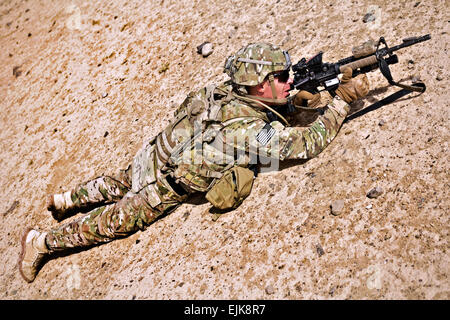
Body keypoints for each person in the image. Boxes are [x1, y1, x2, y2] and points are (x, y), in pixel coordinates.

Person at [19, 43, 369, 283]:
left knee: (120, 181)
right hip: (168, 187)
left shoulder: (222, 89)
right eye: (281, 77)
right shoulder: (247, 132)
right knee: (113, 222)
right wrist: (340, 104)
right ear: (260, 86)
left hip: (155, 155)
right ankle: (43, 242)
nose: (289, 79)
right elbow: (307, 144)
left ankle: (67, 199)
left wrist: (293, 104)